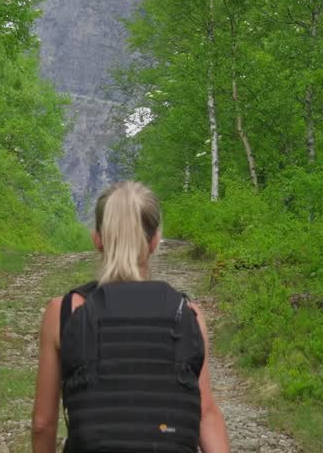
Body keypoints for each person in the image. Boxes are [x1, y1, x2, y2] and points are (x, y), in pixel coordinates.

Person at [31, 181, 230, 453]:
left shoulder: (64, 311)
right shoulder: (187, 313)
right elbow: (206, 415)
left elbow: (43, 424)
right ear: (155, 241)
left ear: (97, 240)